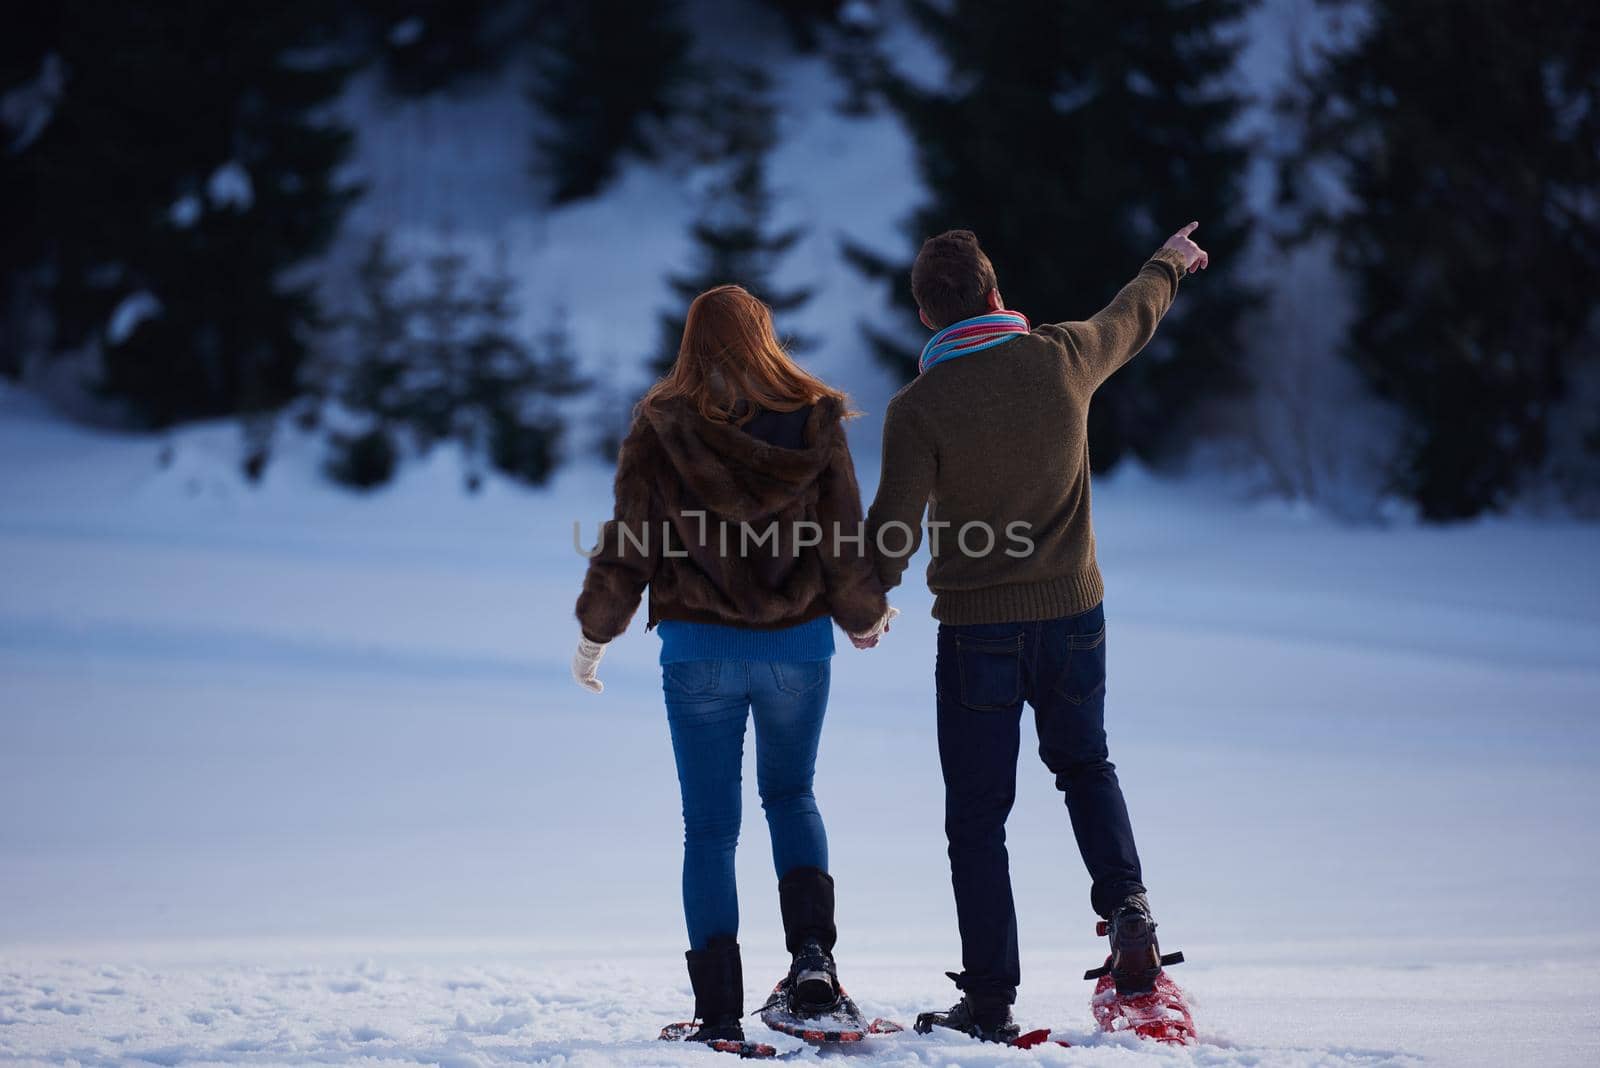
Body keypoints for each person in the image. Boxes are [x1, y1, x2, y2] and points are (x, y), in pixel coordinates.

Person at [860, 224, 1209, 1042]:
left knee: (978, 820)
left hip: (978, 635)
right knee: (1086, 765)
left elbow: (892, 530)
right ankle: (1129, 915)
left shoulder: (920, 409)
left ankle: (988, 1002)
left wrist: (867, 601)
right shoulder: (1063, 357)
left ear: (925, 317)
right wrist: (1170, 262)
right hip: (1072, 619)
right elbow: (1133, 314)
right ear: (995, 293)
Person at [571, 284, 896, 1049]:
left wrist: (596, 633)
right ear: (765, 337)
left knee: (710, 830)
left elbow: (629, 542)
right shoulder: (817, 418)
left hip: (698, 654)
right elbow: (842, 538)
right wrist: (867, 613)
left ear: (691, 345)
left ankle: (718, 1017)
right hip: (797, 651)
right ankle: (813, 967)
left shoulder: (661, 425)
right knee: (792, 795)